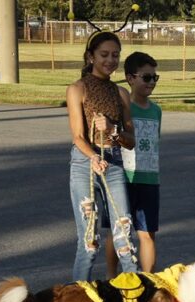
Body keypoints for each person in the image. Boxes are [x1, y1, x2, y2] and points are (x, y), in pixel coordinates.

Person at [66, 31, 138, 281]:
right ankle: (77, 298)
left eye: (115, 55)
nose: (110, 60)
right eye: (104, 54)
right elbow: (77, 136)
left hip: (114, 162)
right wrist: (94, 158)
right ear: (90, 56)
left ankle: (136, 297)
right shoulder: (77, 89)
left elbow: (131, 141)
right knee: (90, 240)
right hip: (84, 164)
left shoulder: (121, 93)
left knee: (125, 234)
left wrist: (113, 129)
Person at [105, 52, 162, 278]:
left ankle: (148, 281)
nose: (151, 83)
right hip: (123, 179)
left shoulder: (156, 110)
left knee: (147, 234)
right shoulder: (122, 107)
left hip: (149, 180)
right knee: (118, 231)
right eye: (146, 78)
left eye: (154, 78)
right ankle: (111, 277)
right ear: (130, 78)